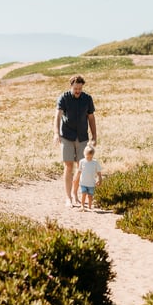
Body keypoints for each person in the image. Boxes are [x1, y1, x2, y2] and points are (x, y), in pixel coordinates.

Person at [53, 74, 97, 207]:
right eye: (75, 88)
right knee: (68, 166)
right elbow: (58, 116)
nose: (78, 91)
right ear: (71, 86)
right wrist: (56, 133)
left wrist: (94, 136)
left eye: (80, 88)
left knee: (81, 167)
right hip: (67, 136)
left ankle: (75, 194)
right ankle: (68, 198)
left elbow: (91, 118)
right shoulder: (64, 98)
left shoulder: (87, 99)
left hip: (82, 137)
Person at [74, 145, 102, 211]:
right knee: (83, 193)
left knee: (90, 195)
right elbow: (79, 171)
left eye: (91, 156)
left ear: (93, 155)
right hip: (83, 182)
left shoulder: (95, 162)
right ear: (84, 154)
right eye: (87, 156)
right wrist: (76, 179)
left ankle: (89, 207)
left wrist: (100, 179)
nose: (89, 158)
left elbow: (98, 172)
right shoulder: (82, 161)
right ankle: (82, 206)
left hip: (91, 183)